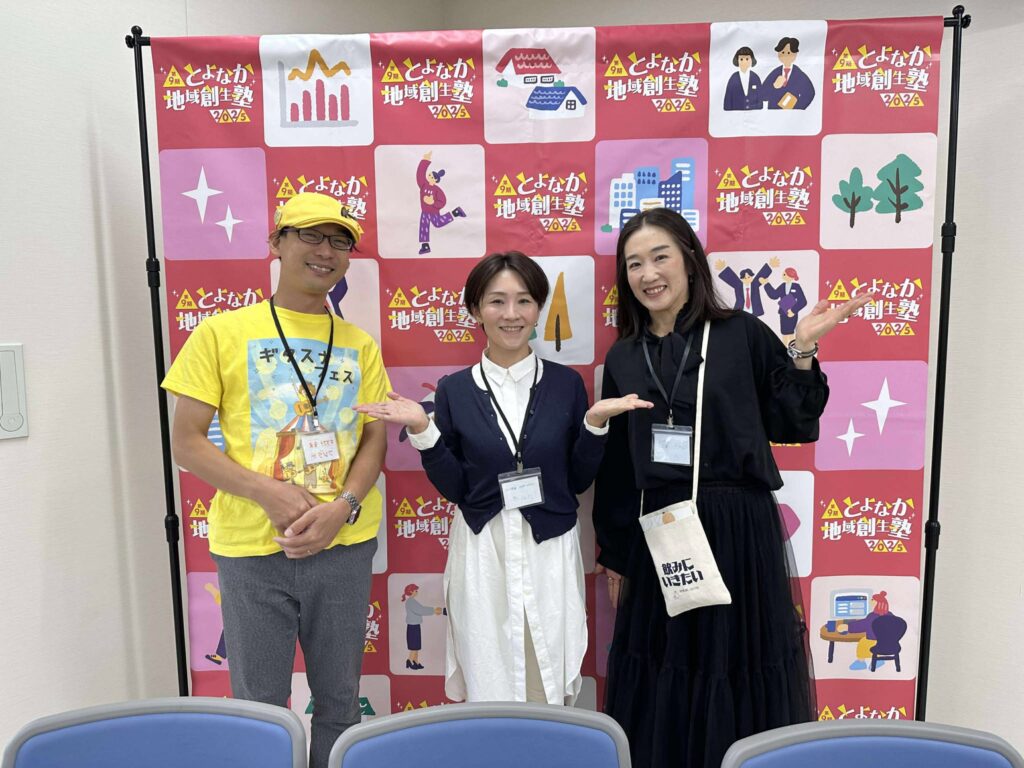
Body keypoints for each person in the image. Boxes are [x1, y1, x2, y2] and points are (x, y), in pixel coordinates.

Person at [593, 208, 871, 768]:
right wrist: (616, 552)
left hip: (736, 530)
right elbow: (620, 466)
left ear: (689, 261)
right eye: (634, 264)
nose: (648, 274)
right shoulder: (623, 355)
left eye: (660, 257)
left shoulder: (740, 333)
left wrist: (802, 349)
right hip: (662, 534)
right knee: (666, 670)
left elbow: (792, 423)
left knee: (736, 664)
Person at [357, 251, 652, 705]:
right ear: (475, 310)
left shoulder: (566, 385)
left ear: (538, 309)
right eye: (496, 301)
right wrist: (423, 431)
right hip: (484, 550)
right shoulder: (455, 390)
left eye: (524, 301)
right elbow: (456, 489)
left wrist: (594, 426)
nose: (511, 314)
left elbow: (576, 481)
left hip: (548, 548)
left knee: (548, 673)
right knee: (489, 673)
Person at [162, 191, 390, 768]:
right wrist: (267, 492)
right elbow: (186, 441)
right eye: (309, 235)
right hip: (251, 548)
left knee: (340, 703)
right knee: (259, 707)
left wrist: (343, 506)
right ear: (277, 243)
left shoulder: (359, 344)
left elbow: (374, 439)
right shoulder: (221, 333)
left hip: (343, 545)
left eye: (339, 241)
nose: (325, 251)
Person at [417, 150, 466, 255]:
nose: (429, 177)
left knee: (438, 223)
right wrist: (425, 160)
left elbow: (442, 201)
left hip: (433, 212)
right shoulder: (423, 185)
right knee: (423, 226)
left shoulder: (437, 190)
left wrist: (433, 203)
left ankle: (455, 212)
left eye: (432, 177)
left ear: (435, 180)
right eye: (429, 175)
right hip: (425, 212)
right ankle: (425, 245)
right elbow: (420, 175)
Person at [761, 36, 816, 110]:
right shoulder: (775, 73)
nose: (785, 55)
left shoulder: (799, 74)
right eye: (782, 52)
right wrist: (773, 86)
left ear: (795, 54)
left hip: (792, 114)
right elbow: (762, 95)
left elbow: (810, 93)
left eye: (789, 53)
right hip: (774, 113)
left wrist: (797, 107)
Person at [401, 583, 445, 670]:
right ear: (411, 591)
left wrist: (434, 610)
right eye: (416, 591)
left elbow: (421, 609)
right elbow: (421, 610)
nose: (417, 592)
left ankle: (416, 661)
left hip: (415, 626)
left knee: (416, 646)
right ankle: (409, 661)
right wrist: (434, 610)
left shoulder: (412, 601)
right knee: (414, 646)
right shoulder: (411, 602)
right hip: (413, 627)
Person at [764, 266, 809, 345]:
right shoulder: (782, 286)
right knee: (784, 333)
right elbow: (774, 295)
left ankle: (793, 348)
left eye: (784, 274)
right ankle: (784, 349)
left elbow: (803, 301)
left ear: (790, 276)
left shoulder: (796, 287)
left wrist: (793, 310)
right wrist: (766, 284)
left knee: (791, 333)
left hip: (792, 314)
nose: (783, 275)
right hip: (783, 313)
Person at [723, 46, 763, 111]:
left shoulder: (755, 77)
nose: (744, 62)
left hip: (754, 113)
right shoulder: (733, 78)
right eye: (741, 59)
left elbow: (760, 98)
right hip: (735, 113)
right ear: (737, 60)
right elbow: (728, 99)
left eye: (747, 59)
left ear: (752, 60)